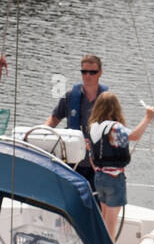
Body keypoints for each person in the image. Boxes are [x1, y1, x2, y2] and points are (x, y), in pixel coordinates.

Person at [86, 93, 154, 238]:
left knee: (104, 217)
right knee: (111, 222)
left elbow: (91, 155)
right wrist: (147, 118)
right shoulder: (115, 128)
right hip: (114, 178)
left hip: (99, 177)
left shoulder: (94, 127)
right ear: (114, 109)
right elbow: (134, 136)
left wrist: (99, 171)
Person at [46, 54, 108, 186]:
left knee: (96, 202)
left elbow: (116, 128)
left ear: (100, 73)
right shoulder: (70, 96)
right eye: (84, 72)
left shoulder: (107, 100)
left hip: (96, 164)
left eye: (92, 72)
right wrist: (40, 134)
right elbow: (54, 119)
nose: (88, 75)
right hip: (72, 162)